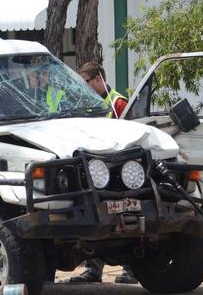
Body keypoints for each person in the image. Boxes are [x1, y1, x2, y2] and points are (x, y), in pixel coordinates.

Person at [63, 61, 137, 285]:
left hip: (118, 172)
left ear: (98, 79)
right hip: (95, 171)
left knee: (125, 220)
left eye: (86, 82)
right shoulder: (87, 103)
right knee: (94, 220)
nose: (83, 87)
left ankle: (131, 270)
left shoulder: (118, 103)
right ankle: (93, 270)